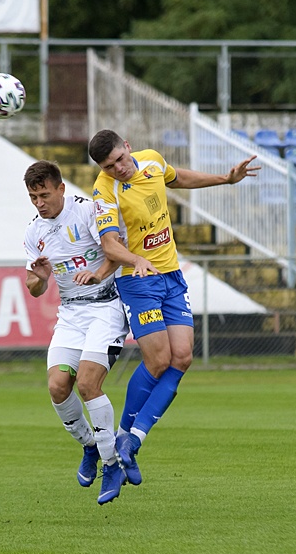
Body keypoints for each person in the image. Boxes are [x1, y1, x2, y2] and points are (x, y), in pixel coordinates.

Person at [87, 129, 260, 486]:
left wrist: (226, 180)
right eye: (109, 166)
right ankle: (123, 434)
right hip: (138, 282)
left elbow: (178, 177)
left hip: (170, 275)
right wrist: (135, 258)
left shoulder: (150, 159)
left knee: (182, 358)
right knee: (158, 360)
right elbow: (108, 245)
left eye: (119, 159)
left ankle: (132, 441)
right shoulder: (105, 191)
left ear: (128, 148)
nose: (117, 168)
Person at [23, 160, 130, 505]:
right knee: (57, 386)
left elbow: (116, 251)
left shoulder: (87, 212)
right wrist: (39, 278)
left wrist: (99, 272)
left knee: (87, 384)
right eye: (32, 197)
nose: (39, 203)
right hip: (70, 313)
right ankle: (90, 447)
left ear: (61, 189)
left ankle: (112, 464)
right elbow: (34, 288)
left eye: (43, 195)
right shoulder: (34, 232)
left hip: (105, 306)